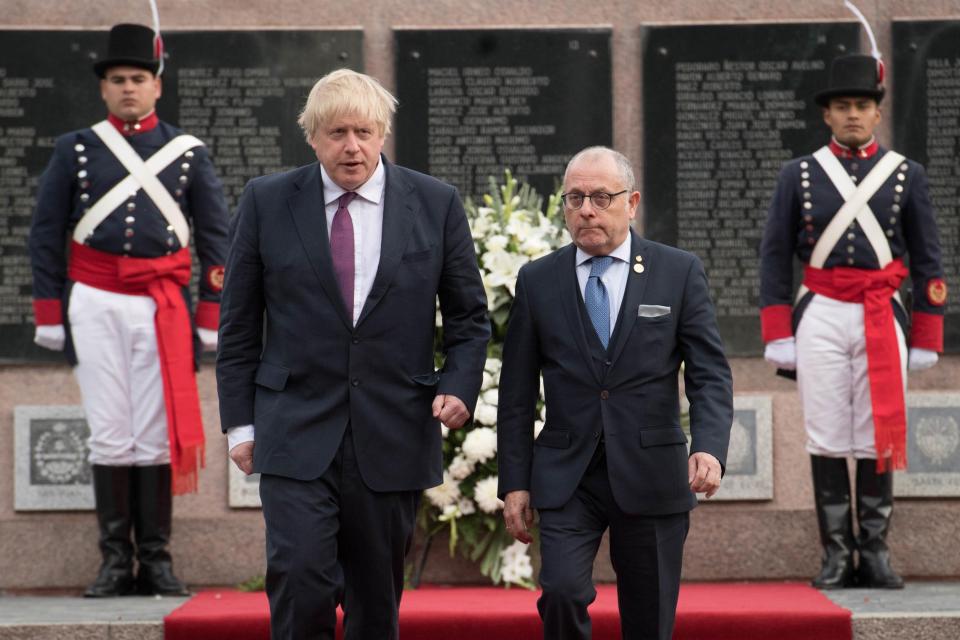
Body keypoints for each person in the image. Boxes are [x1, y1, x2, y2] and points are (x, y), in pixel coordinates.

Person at [217, 68, 489, 639]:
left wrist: (458, 385)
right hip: (294, 427)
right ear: (312, 137)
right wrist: (240, 425)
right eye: (337, 132)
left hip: (391, 430)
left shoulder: (434, 204)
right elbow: (239, 325)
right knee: (300, 578)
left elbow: (468, 317)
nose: (352, 146)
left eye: (364, 132)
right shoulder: (268, 202)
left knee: (375, 600)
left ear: (383, 133)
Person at [497, 146, 733, 640]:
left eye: (602, 197)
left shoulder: (678, 271)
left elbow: (709, 372)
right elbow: (516, 393)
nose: (587, 209)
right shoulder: (538, 280)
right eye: (575, 197)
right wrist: (515, 482)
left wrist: (709, 447)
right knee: (560, 592)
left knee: (648, 617)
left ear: (632, 203)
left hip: (651, 473)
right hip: (568, 476)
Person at [28, 23, 230, 597]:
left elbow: (217, 240)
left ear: (156, 85)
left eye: (138, 79)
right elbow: (45, 233)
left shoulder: (187, 153)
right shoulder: (76, 149)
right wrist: (48, 312)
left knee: (157, 431)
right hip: (94, 301)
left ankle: (157, 561)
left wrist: (210, 313)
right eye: (117, 80)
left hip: (161, 306)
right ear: (104, 89)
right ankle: (115, 561)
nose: (128, 89)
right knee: (111, 430)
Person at [759, 54, 946, 590]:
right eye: (842, 106)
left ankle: (876, 550)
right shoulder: (798, 174)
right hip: (820, 310)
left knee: (876, 432)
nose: (852, 115)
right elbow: (774, 255)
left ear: (876, 113)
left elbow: (929, 259)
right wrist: (777, 332)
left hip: (881, 312)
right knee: (825, 432)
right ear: (827, 115)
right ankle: (837, 553)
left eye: (862, 105)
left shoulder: (907, 175)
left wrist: (927, 331)